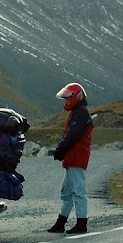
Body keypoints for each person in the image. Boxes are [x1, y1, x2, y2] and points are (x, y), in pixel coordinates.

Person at [47, 83, 93, 234]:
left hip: (76, 157)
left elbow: (72, 136)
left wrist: (59, 150)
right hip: (73, 158)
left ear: (76, 97)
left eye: (67, 99)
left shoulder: (80, 113)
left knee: (78, 192)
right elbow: (71, 135)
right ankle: (61, 223)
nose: (66, 102)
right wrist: (62, 152)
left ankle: (81, 223)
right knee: (66, 193)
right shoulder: (79, 112)